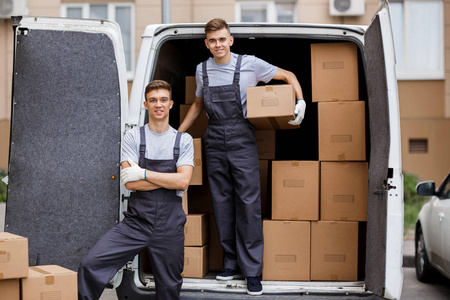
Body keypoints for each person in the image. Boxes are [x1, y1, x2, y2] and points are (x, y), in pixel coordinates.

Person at [178, 18, 305, 296]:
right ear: (206, 44)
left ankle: (252, 272)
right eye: (212, 40)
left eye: (222, 39)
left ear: (230, 40)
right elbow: (199, 104)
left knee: (248, 203)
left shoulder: (250, 63)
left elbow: (289, 76)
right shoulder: (202, 70)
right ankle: (231, 263)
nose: (218, 44)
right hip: (214, 139)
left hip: (242, 138)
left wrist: (301, 101)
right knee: (222, 202)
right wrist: (177, 133)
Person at [77, 80, 194, 300]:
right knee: (90, 264)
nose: (158, 104)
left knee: (169, 287)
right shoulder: (133, 137)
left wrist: (143, 173)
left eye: (163, 100)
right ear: (145, 104)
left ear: (170, 104)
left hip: (169, 226)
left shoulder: (183, 140)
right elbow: (130, 183)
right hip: (136, 222)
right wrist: (168, 178)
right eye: (153, 100)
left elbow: (183, 182)